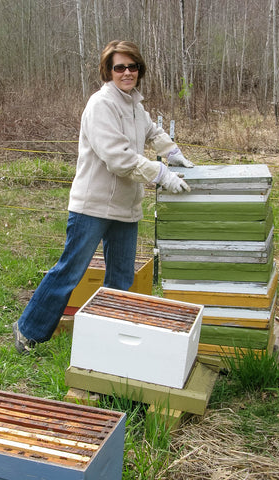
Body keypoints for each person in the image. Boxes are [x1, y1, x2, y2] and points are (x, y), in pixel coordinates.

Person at [13, 40, 194, 353]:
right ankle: (27, 330)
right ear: (108, 71)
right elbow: (118, 158)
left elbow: (151, 131)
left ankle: (107, 337)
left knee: (121, 278)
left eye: (132, 66)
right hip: (93, 206)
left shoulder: (134, 105)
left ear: (140, 69)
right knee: (70, 272)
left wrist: (171, 150)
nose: (126, 72)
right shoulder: (102, 104)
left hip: (125, 207)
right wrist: (161, 174)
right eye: (119, 67)